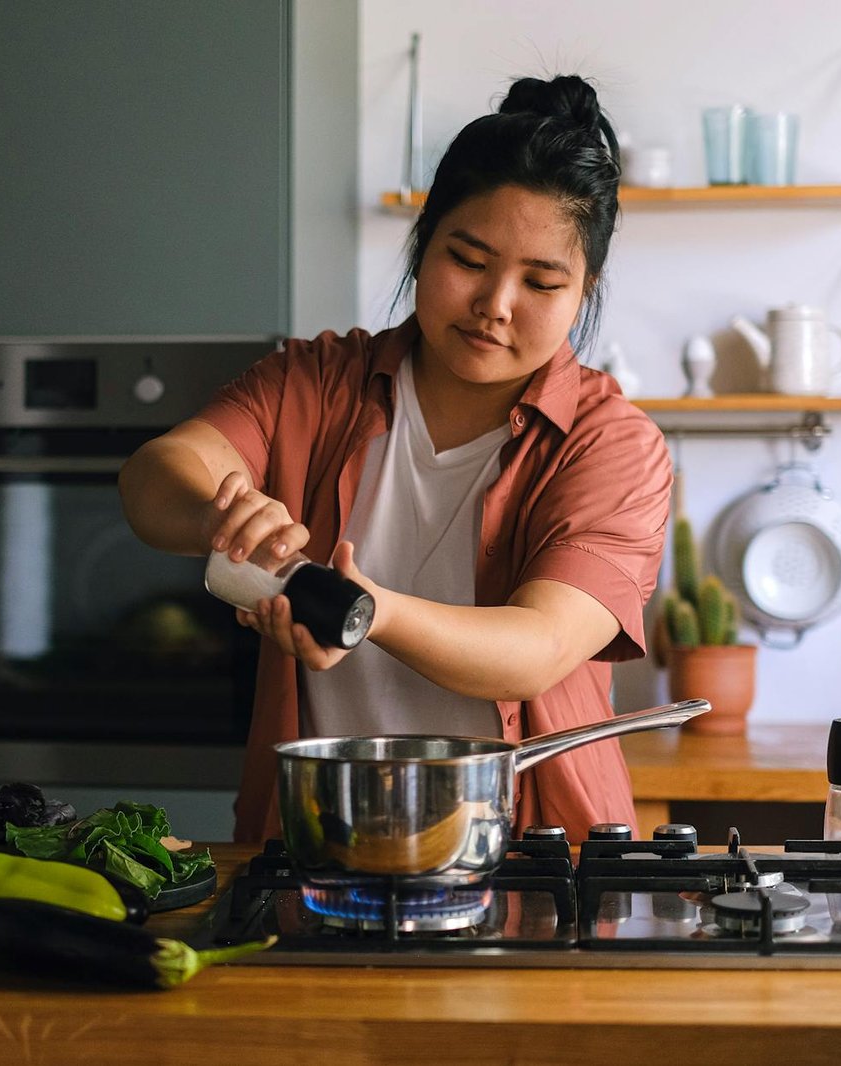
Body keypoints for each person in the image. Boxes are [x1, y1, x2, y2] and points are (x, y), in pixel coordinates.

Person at [118, 74, 671, 844]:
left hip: (535, 854)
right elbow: (154, 477)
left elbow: (537, 648)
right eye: (469, 260)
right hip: (317, 840)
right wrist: (221, 512)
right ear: (422, 241)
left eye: (542, 281)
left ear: (585, 291)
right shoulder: (314, 381)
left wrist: (360, 609)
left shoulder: (612, 445)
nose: (496, 303)